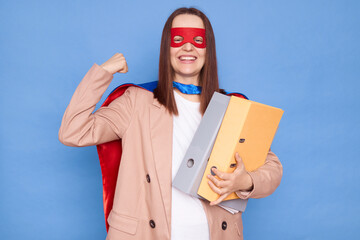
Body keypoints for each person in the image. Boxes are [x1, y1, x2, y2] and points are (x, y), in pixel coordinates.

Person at [59, 7, 282, 240]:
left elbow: (273, 169)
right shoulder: (137, 102)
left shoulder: (232, 107)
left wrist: (245, 181)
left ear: (208, 50)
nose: (188, 47)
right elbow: (72, 131)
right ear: (167, 48)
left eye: (198, 39)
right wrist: (102, 73)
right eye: (178, 39)